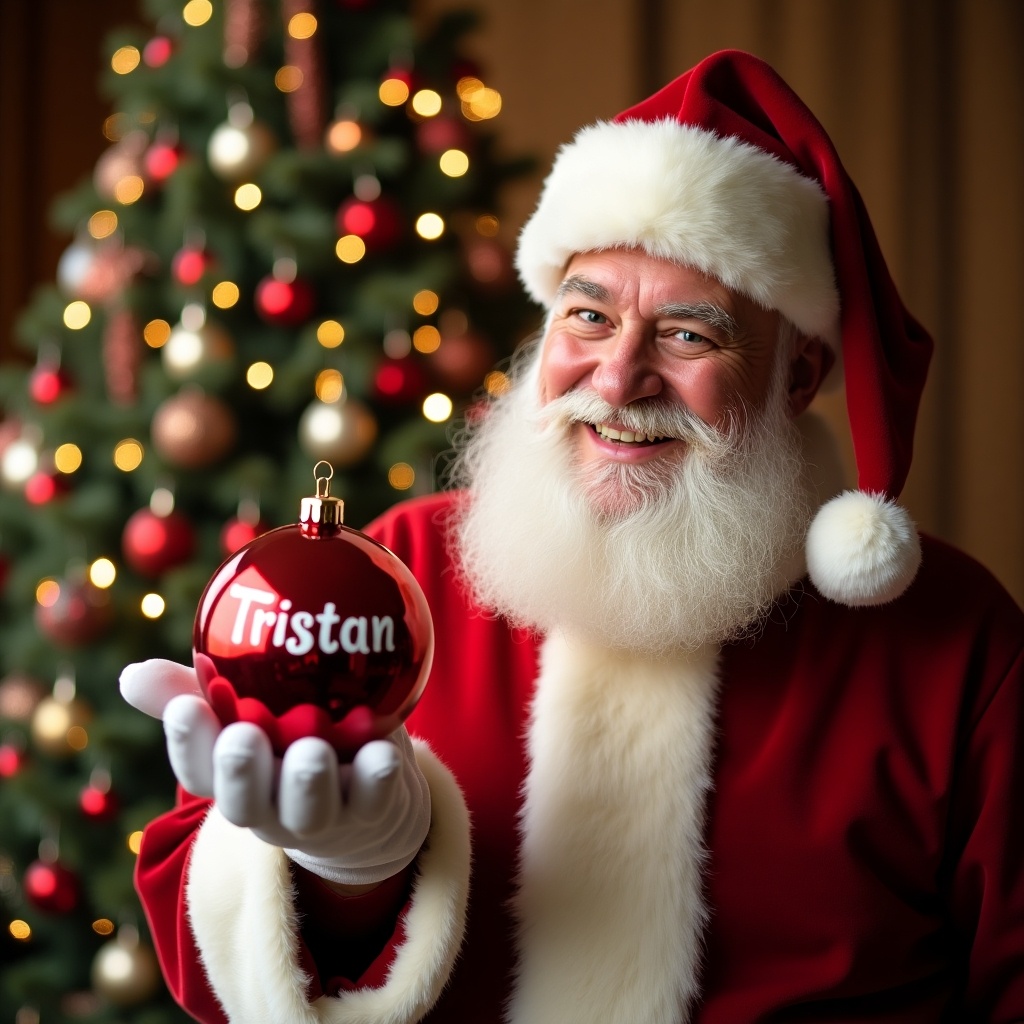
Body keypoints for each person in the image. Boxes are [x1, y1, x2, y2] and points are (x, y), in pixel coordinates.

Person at [121, 50, 1024, 1023]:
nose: (616, 376)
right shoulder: (394, 576)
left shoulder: (953, 639)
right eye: (587, 315)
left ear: (796, 375)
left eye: (688, 334)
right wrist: (339, 877)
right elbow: (202, 948)